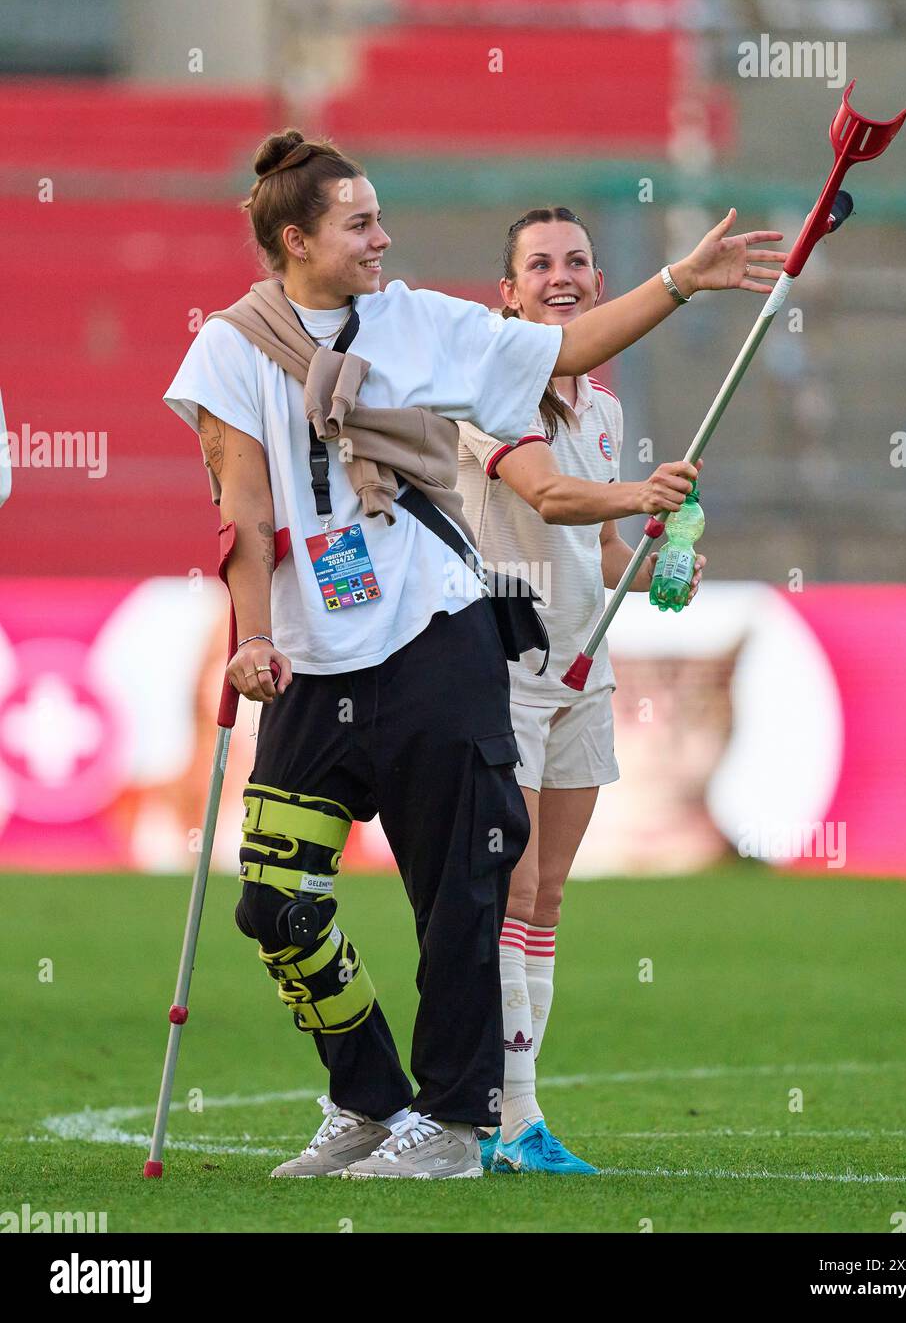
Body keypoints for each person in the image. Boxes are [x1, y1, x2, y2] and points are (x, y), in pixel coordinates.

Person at [162, 129, 786, 1180]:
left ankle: (451, 1125)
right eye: (359, 223)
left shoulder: (413, 322)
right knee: (273, 896)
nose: (382, 237)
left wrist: (680, 279)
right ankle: (364, 1094)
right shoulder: (225, 348)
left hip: (437, 633)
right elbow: (245, 521)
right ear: (294, 238)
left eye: (378, 218)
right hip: (315, 660)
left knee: (462, 894)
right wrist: (256, 638)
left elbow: (565, 353)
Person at [457, 206, 781, 1173]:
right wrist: (641, 498)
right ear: (505, 293)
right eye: (540, 264)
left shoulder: (600, 408)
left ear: (598, 285)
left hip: (579, 668)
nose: (564, 274)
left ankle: (514, 1122)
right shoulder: (484, 387)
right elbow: (550, 496)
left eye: (579, 262)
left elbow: (594, 550)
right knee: (507, 887)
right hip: (499, 668)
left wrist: (661, 559)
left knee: (547, 896)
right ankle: (509, 1117)